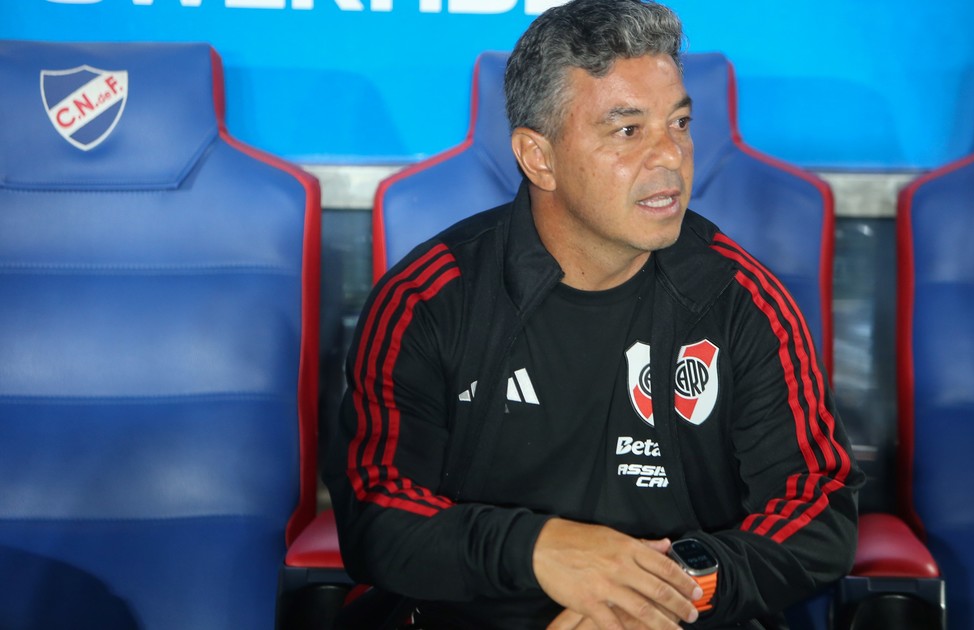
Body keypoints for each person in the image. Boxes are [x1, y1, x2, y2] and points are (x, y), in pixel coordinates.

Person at [323, 0, 864, 627]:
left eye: (680, 124)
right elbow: (377, 515)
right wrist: (539, 549)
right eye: (628, 130)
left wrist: (660, 592)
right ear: (539, 157)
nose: (670, 157)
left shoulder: (745, 301)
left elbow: (818, 511)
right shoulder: (428, 299)